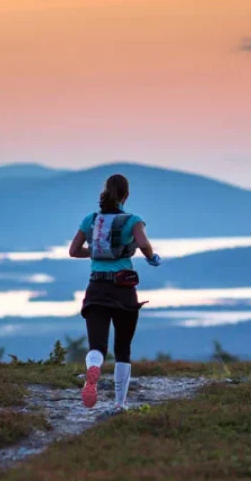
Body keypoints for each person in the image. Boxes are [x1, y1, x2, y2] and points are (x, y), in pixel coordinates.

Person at [68, 174, 161, 412]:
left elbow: (73, 250)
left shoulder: (90, 219)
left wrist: (98, 251)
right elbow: (144, 244)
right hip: (123, 289)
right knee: (123, 348)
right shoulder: (133, 220)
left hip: (96, 287)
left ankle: (94, 368)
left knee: (97, 346)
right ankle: (120, 403)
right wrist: (151, 257)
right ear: (126, 195)